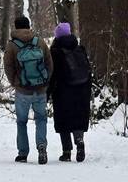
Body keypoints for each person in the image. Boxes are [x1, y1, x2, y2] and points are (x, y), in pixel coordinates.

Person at [4, 14, 53, 164]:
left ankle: (23, 153)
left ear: (16, 27)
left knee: (21, 122)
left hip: (22, 90)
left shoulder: (12, 45)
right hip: (40, 89)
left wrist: (15, 82)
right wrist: (45, 81)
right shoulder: (39, 42)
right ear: (29, 26)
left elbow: (8, 66)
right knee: (41, 119)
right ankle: (42, 146)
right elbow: (49, 63)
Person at [48, 22, 91, 162]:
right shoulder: (80, 49)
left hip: (63, 91)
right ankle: (79, 141)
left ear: (57, 36)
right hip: (81, 90)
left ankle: (66, 152)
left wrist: (47, 93)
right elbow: (88, 71)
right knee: (78, 118)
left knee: (63, 119)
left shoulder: (55, 52)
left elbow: (52, 75)